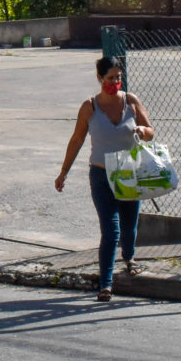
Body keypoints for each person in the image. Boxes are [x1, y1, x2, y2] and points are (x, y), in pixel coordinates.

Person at [53, 55, 155, 301]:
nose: (115, 82)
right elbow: (77, 140)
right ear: (99, 78)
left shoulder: (131, 102)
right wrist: (63, 171)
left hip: (129, 171)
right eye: (110, 78)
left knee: (130, 226)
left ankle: (129, 259)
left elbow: (151, 132)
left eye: (118, 77)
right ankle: (106, 284)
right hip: (101, 174)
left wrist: (142, 130)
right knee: (111, 230)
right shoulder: (89, 106)